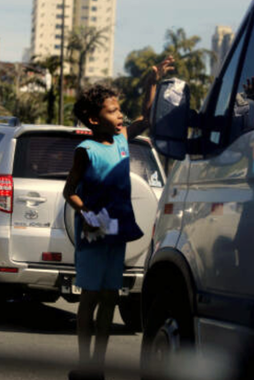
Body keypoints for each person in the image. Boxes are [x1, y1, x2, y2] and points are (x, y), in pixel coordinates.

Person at [63, 56, 174, 380]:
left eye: (118, 109)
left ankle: (98, 365)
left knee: (111, 296)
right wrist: (86, 213)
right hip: (95, 232)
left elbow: (147, 117)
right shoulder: (85, 150)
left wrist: (151, 83)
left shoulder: (123, 139)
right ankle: (85, 364)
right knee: (91, 298)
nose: (119, 115)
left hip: (117, 230)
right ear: (92, 119)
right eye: (112, 111)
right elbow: (69, 191)